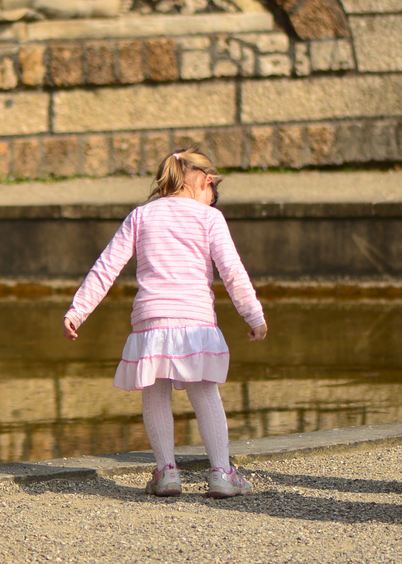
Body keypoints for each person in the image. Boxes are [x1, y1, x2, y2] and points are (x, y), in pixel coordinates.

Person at [63, 148, 267, 499]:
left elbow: (106, 267)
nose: (213, 198)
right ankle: (221, 472)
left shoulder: (141, 216)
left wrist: (77, 310)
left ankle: (167, 472)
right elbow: (233, 273)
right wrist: (254, 315)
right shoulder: (209, 219)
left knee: (154, 393)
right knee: (205, 393)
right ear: (205, 181)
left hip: (151, 320)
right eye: (214, 190)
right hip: (196, 322)